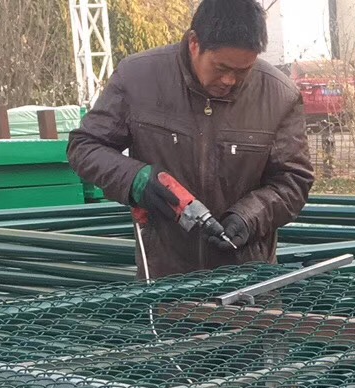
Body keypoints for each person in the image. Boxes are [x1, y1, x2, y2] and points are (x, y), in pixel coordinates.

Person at [68, 0, 313, 280]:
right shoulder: (138, 79)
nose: (229, 80)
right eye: (221, 67)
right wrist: (135, 179)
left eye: (242, 70)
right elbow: (84, 147)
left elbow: (293, 180)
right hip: (166, 281)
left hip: (249, 280)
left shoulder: (279, 95)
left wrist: (248, 217)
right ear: (194, 42)